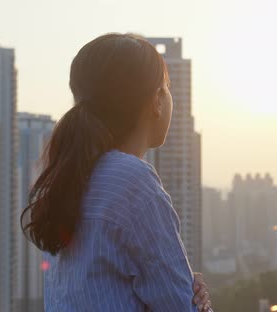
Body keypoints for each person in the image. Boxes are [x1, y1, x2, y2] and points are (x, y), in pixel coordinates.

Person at [21, 33, 212, 312]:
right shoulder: (132, 181)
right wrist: (201, 305)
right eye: (168, 88)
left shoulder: (71, 175)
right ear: (156, 101)